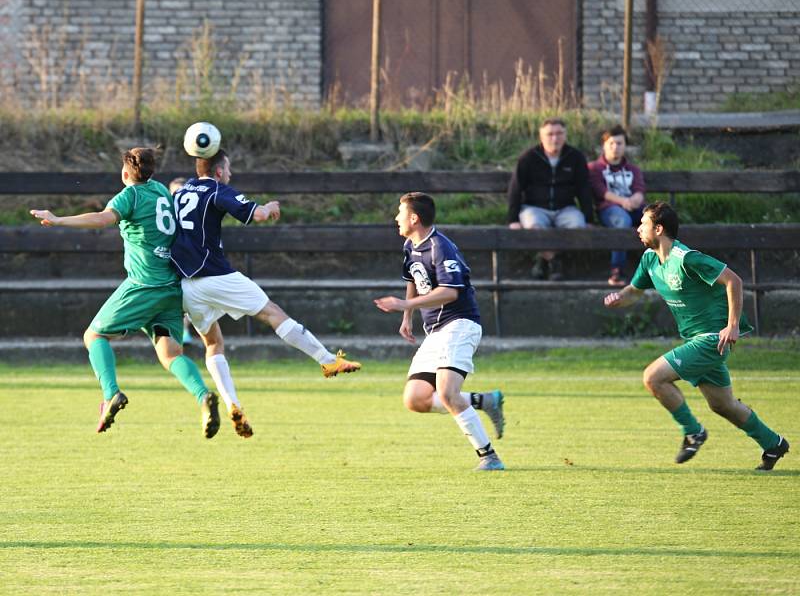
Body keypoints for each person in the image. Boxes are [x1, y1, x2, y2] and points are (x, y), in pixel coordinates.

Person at [170, 148, 361, 438]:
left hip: (185, 284)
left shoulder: (179, 194)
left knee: (213, 343)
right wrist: (270, 207)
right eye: (229, 169)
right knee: (273, 313)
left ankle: (233, 405)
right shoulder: (216, 190)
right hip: (215, 275)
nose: (230, 174)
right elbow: (257, 214)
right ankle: (327, 360)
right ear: (219, 171)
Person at [30, 148, 220, 438]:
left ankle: (111, 394)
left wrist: (58, 220)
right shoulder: (159, 190)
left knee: (93, 335)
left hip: (144, 284)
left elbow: (101, 219)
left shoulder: (129, 196)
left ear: (126, 172)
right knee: (170, 353)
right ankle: (203, 395)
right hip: (171, 286)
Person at [604, 202, 789, 470]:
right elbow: (633, 291)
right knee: (723, 405)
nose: (638, 229)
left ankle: (693, 432)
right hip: (695, 340)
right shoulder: (649, 260)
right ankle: (773, 443)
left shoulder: (686, 258)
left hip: (714, 338)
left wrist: (732, 325)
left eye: (643, 224)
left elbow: (733, 281)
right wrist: (617, 298)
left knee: (653, 377)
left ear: (658, 228)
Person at [375, 192, 505, 471]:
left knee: (447, 393)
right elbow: (413, 277)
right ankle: (486, 401)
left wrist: (404, 304)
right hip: (435, 331)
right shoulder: (411, 245)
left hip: (459, 324)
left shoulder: (440, 247)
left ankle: (490, 457)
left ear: (414, 218)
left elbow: (449, 292)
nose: (396, 218)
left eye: (400, 213)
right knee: (415, 398)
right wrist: (407, 317)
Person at [507, 117, 594, 280]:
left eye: (559, 133)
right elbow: (515, 189)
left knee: (577, 226)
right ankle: (555, 261)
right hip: (535, 207)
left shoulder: (575, 157)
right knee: (533, 226)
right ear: (541, 136)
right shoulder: (528, 158)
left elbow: (584, 189)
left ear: (565, 135)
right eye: (550, 134)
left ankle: (543, 259)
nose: (555, 138)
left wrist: (589, 218)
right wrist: (513, 219)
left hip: (565, 208)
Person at [588, 125, 646, 286]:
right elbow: (601, 192)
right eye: (611, 143)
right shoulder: (595, 168)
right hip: (609, 209)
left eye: (619, 143)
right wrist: (623, 201)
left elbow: (639, 189)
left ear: (625, 146)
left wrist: (635, 199)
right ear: (604, 145)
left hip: (633, 207)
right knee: (622, 222)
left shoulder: (633, 169)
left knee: (657, 220)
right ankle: (617, 270)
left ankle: (664, 267)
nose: (615, 147)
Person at [168, 176, 195, 346]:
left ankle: (186, 330)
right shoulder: (166, 214)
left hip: (192, 265)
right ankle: (173, 332)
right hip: (170, 263)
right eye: (175, 193)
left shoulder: (196, 216)